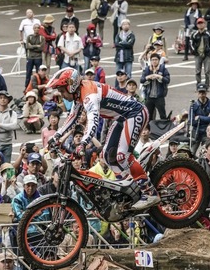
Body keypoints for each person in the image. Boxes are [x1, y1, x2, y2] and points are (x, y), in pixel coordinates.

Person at [46, 68, 158, 210]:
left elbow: (93, 122)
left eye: (62, 91)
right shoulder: (79, 93)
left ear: (71, 85)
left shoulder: (89, 95)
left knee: (122, 156)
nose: (61, 95)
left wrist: (84, 143)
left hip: (135, 114)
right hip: (122, 118)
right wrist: (56, 136)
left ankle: (149, 192)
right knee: (107, 155)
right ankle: (128, 188)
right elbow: (72, 117)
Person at [189, 83, 210, 156]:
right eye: (200, 92)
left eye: (203, 92)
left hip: (207, 132)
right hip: (196, 131)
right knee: (191, 152)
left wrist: (199, 117)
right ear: (197, 93)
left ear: (206, 92)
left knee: (207, 152)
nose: (202, 94)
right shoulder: (193, 105)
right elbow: (192, 122)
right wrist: (207, 118)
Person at [140, 54, 170, 120]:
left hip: (159, 96)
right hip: (149, 96)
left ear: (159, 61)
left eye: (156, 60)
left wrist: (159, 76)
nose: (154, 61)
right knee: (148, 116)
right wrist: (149, 77)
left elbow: (167, 80)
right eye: (152, 60)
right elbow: (141, 80)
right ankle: (149, 129)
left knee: (162, 115)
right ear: (150, 61)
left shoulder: (163, 69)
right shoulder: (147, 69)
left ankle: (163, 129)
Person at [191, 17, 210, 90]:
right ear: (197, 25)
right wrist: (194, 52)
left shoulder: (209, 33)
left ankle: (207, 86)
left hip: (206, 55)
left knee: (207, 71)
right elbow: (191, 44)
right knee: (197, 71)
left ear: (204, 24)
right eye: (199, 23)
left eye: (202, 23)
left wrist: (209, 53)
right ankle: (198, 85)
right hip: (198, 54)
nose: (200, 25)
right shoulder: (194, 34)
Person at [25, 23, 45, 88]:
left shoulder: (42, 38)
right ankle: (26, 87)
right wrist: (37, 46)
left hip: (38, 57)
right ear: (33, 29)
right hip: (30, 57)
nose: (36, 29)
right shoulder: (29, 37)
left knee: (39, 74)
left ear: (39, 29)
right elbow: (27, 46)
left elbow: (41, 48)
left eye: (38, 28)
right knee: (28, 73)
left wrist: (32, 46)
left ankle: (38, 87)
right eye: (35, 28)